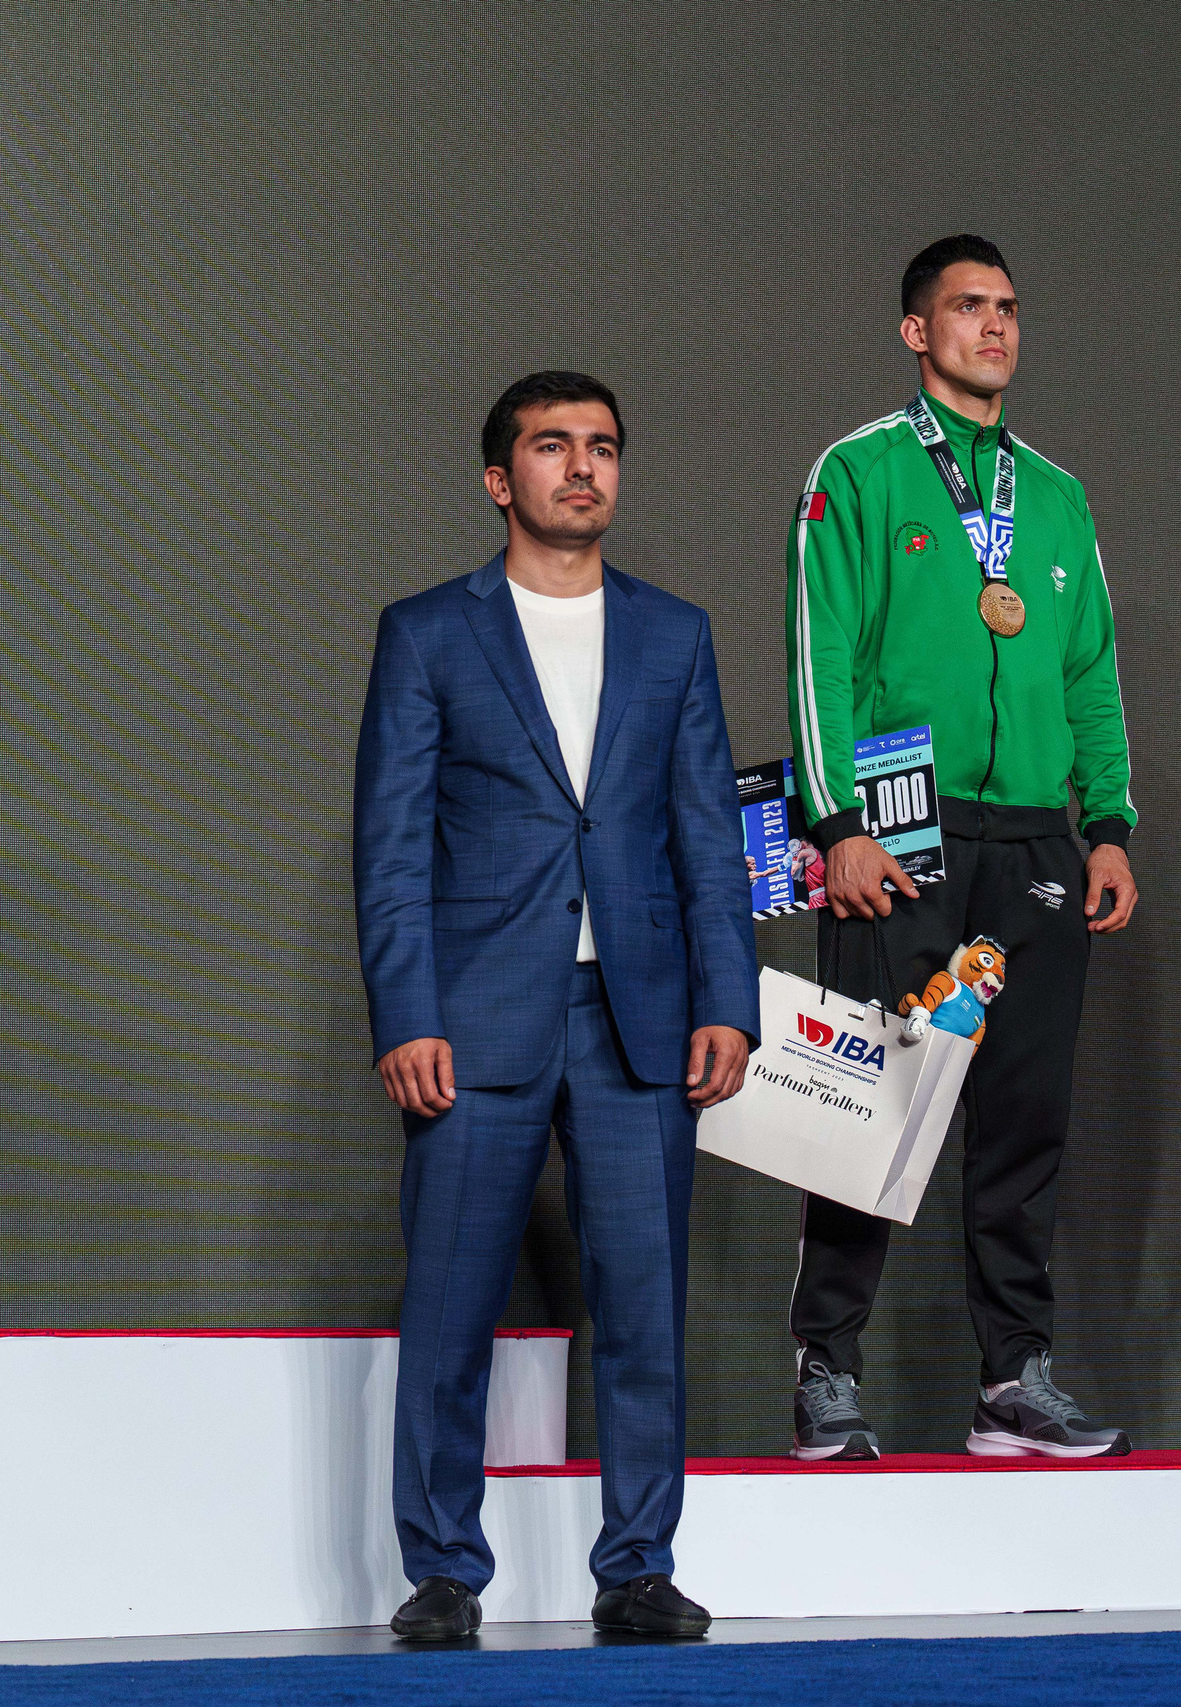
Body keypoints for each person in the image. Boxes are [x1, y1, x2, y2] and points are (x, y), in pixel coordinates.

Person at [354, 370, 760, 1639]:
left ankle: (637, 1566)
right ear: (500, 479)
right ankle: (441, 1576)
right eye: (551, 447)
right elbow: (390, 843)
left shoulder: (674, 633)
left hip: (641, 1017)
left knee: (644, 1310)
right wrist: (405, 1015)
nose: (582, 467)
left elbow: (707, 835)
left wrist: (729, 1000)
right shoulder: (426, 631)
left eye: (601, 447)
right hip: (474, 1019)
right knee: (451, 1308)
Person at [781, 234, 1139, 1461]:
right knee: (871, 1106)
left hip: (1037, 833)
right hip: (901, 829)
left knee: (1022, 1115)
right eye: (967, 308)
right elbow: (818, 655)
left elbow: (1090, 671)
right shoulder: (860, 473)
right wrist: (835, 829)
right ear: (914, 332)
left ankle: (1013, 1383)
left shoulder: (1054, 495)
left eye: (1007, 308)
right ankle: (827, 1369)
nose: (994, 327)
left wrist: (1107, 825)